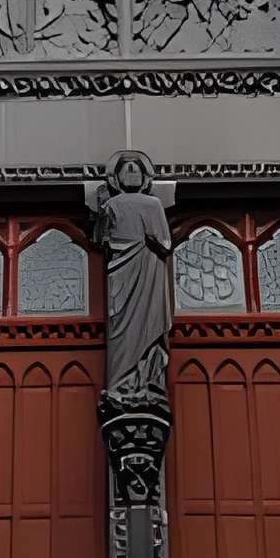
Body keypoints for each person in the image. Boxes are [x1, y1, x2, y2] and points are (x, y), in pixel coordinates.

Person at [94, 150, 173, 406]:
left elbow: (164, 242)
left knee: (149, 323)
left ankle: (148, 381)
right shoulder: (112, 205)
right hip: (120, 271)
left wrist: (150, 240)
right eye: (125, 170)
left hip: (149, 269)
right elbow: (102, 240)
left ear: (144, 177)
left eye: (135, 170)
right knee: (120, 325)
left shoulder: (153, 205)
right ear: (115, 178)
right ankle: (119, 384)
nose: (131, 174)